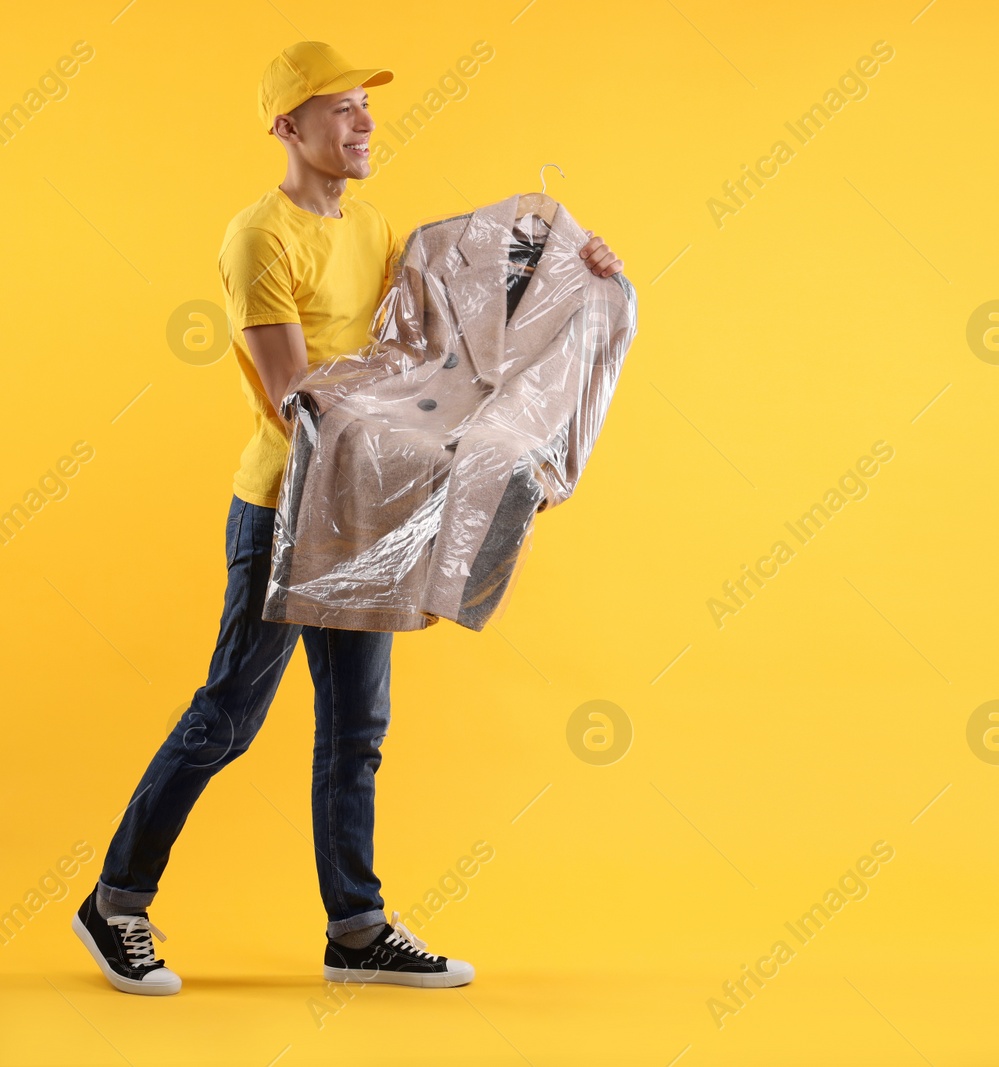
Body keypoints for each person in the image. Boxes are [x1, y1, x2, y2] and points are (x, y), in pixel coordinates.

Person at [72, 41, 624, 996]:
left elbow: (450, 329)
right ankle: (114, 903)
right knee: (228, 716)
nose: (365, 122)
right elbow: (303, 399)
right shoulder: (260, 239)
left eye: (367, 107)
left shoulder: (375, 229)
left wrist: (571, 269)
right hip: (288, 507)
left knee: (357, 725)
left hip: (365, 508)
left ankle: (356, 929)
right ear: (288, 127)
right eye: (341, 109)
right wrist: (444, 452)